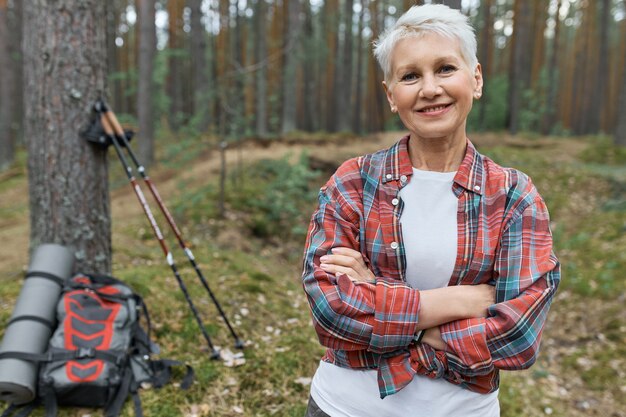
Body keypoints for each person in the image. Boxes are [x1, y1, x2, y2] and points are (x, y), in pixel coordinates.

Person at [301, 4, 561, 417]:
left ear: (475, 79)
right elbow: (330, 312)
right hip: (344, 407)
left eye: (445, 69)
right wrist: (461, 301)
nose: (429, 88)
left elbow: (519, 336)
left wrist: (376, 294)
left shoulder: (513, 195)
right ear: (391, 95)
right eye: (409, 76)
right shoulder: (353, 182)